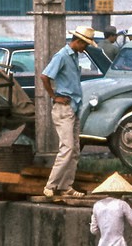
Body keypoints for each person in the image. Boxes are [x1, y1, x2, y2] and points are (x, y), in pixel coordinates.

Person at [40, 26, 96, 198]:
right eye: (84, 45)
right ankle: (50, 185)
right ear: (78, 42)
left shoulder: (73, 57)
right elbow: (45, 76)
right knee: (67, 148)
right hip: (63, 108)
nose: (85, 49)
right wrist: (53, 96)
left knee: (75, 150)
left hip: (73, 106)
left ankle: (66, 186)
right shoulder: (62, 56)